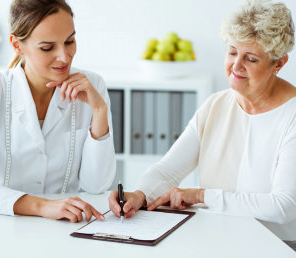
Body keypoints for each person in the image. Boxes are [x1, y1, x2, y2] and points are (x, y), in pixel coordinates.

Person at [109, 0, 296, 244]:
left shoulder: (291, 115)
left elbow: (283, 207)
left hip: (275, 246)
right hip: (217, 237)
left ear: (278, 64)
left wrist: (200, 195)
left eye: (250, 59)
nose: (235, 66)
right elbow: (167, 171)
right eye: (231, 52)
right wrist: (140, 194)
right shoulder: (216, 105)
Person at [0, 0, 116, 223]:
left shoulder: (93, 86)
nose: (64, 56)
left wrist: (99, 110)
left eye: (69, 41)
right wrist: (42, 206)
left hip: (69, 225)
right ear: (17, 45)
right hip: (3, 223)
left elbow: (96, 185)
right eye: (47, 47)